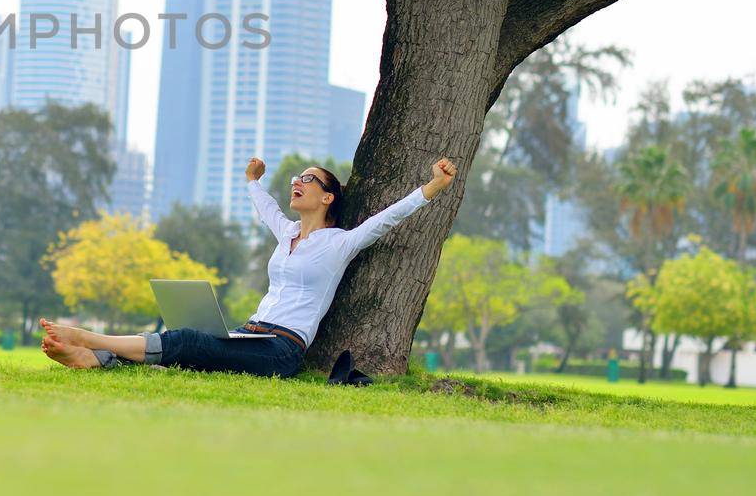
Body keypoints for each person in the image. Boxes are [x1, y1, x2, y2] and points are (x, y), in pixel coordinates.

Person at [39, 156, 459, 377]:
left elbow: (388, 217)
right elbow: (266, 210)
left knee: (187, 342)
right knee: (192, 347)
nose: (297, 181)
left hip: (281, 350)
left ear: (328, 197)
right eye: (296, 177)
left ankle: (87, 338)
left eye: (308, 179)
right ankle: (95, 361)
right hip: (250, 332)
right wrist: (253, 180)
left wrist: (435, 186)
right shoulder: (288, 235)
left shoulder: (341, 243)